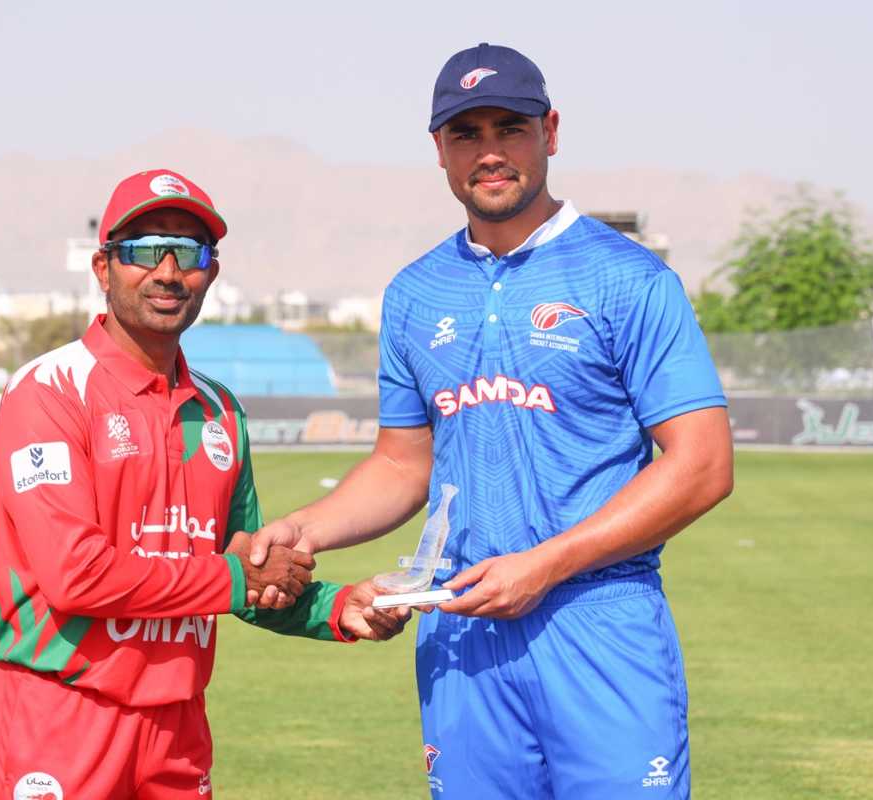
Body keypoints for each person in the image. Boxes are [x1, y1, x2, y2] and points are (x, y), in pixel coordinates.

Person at [247, 44, 733, 799]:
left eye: (511, 128)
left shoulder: (629, 278)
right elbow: (402, 464)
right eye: (466, 134)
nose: (491, 152)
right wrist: (305, 529)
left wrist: (547, 565)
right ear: (439, 148)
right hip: (462, 626)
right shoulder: (414, 293)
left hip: (598, 622)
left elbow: (702, 464)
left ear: (551, 132)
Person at [0, 168, 408, 800]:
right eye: (145, 250)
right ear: (103, 267)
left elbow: (248, 571)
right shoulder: (48, 391)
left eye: (190, 252)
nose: (169, 272)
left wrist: (340, 608)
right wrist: (238, 578)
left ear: (212, 271)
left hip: (177, 729)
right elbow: (76, 576)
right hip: (62, 715)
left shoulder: (220, 411)